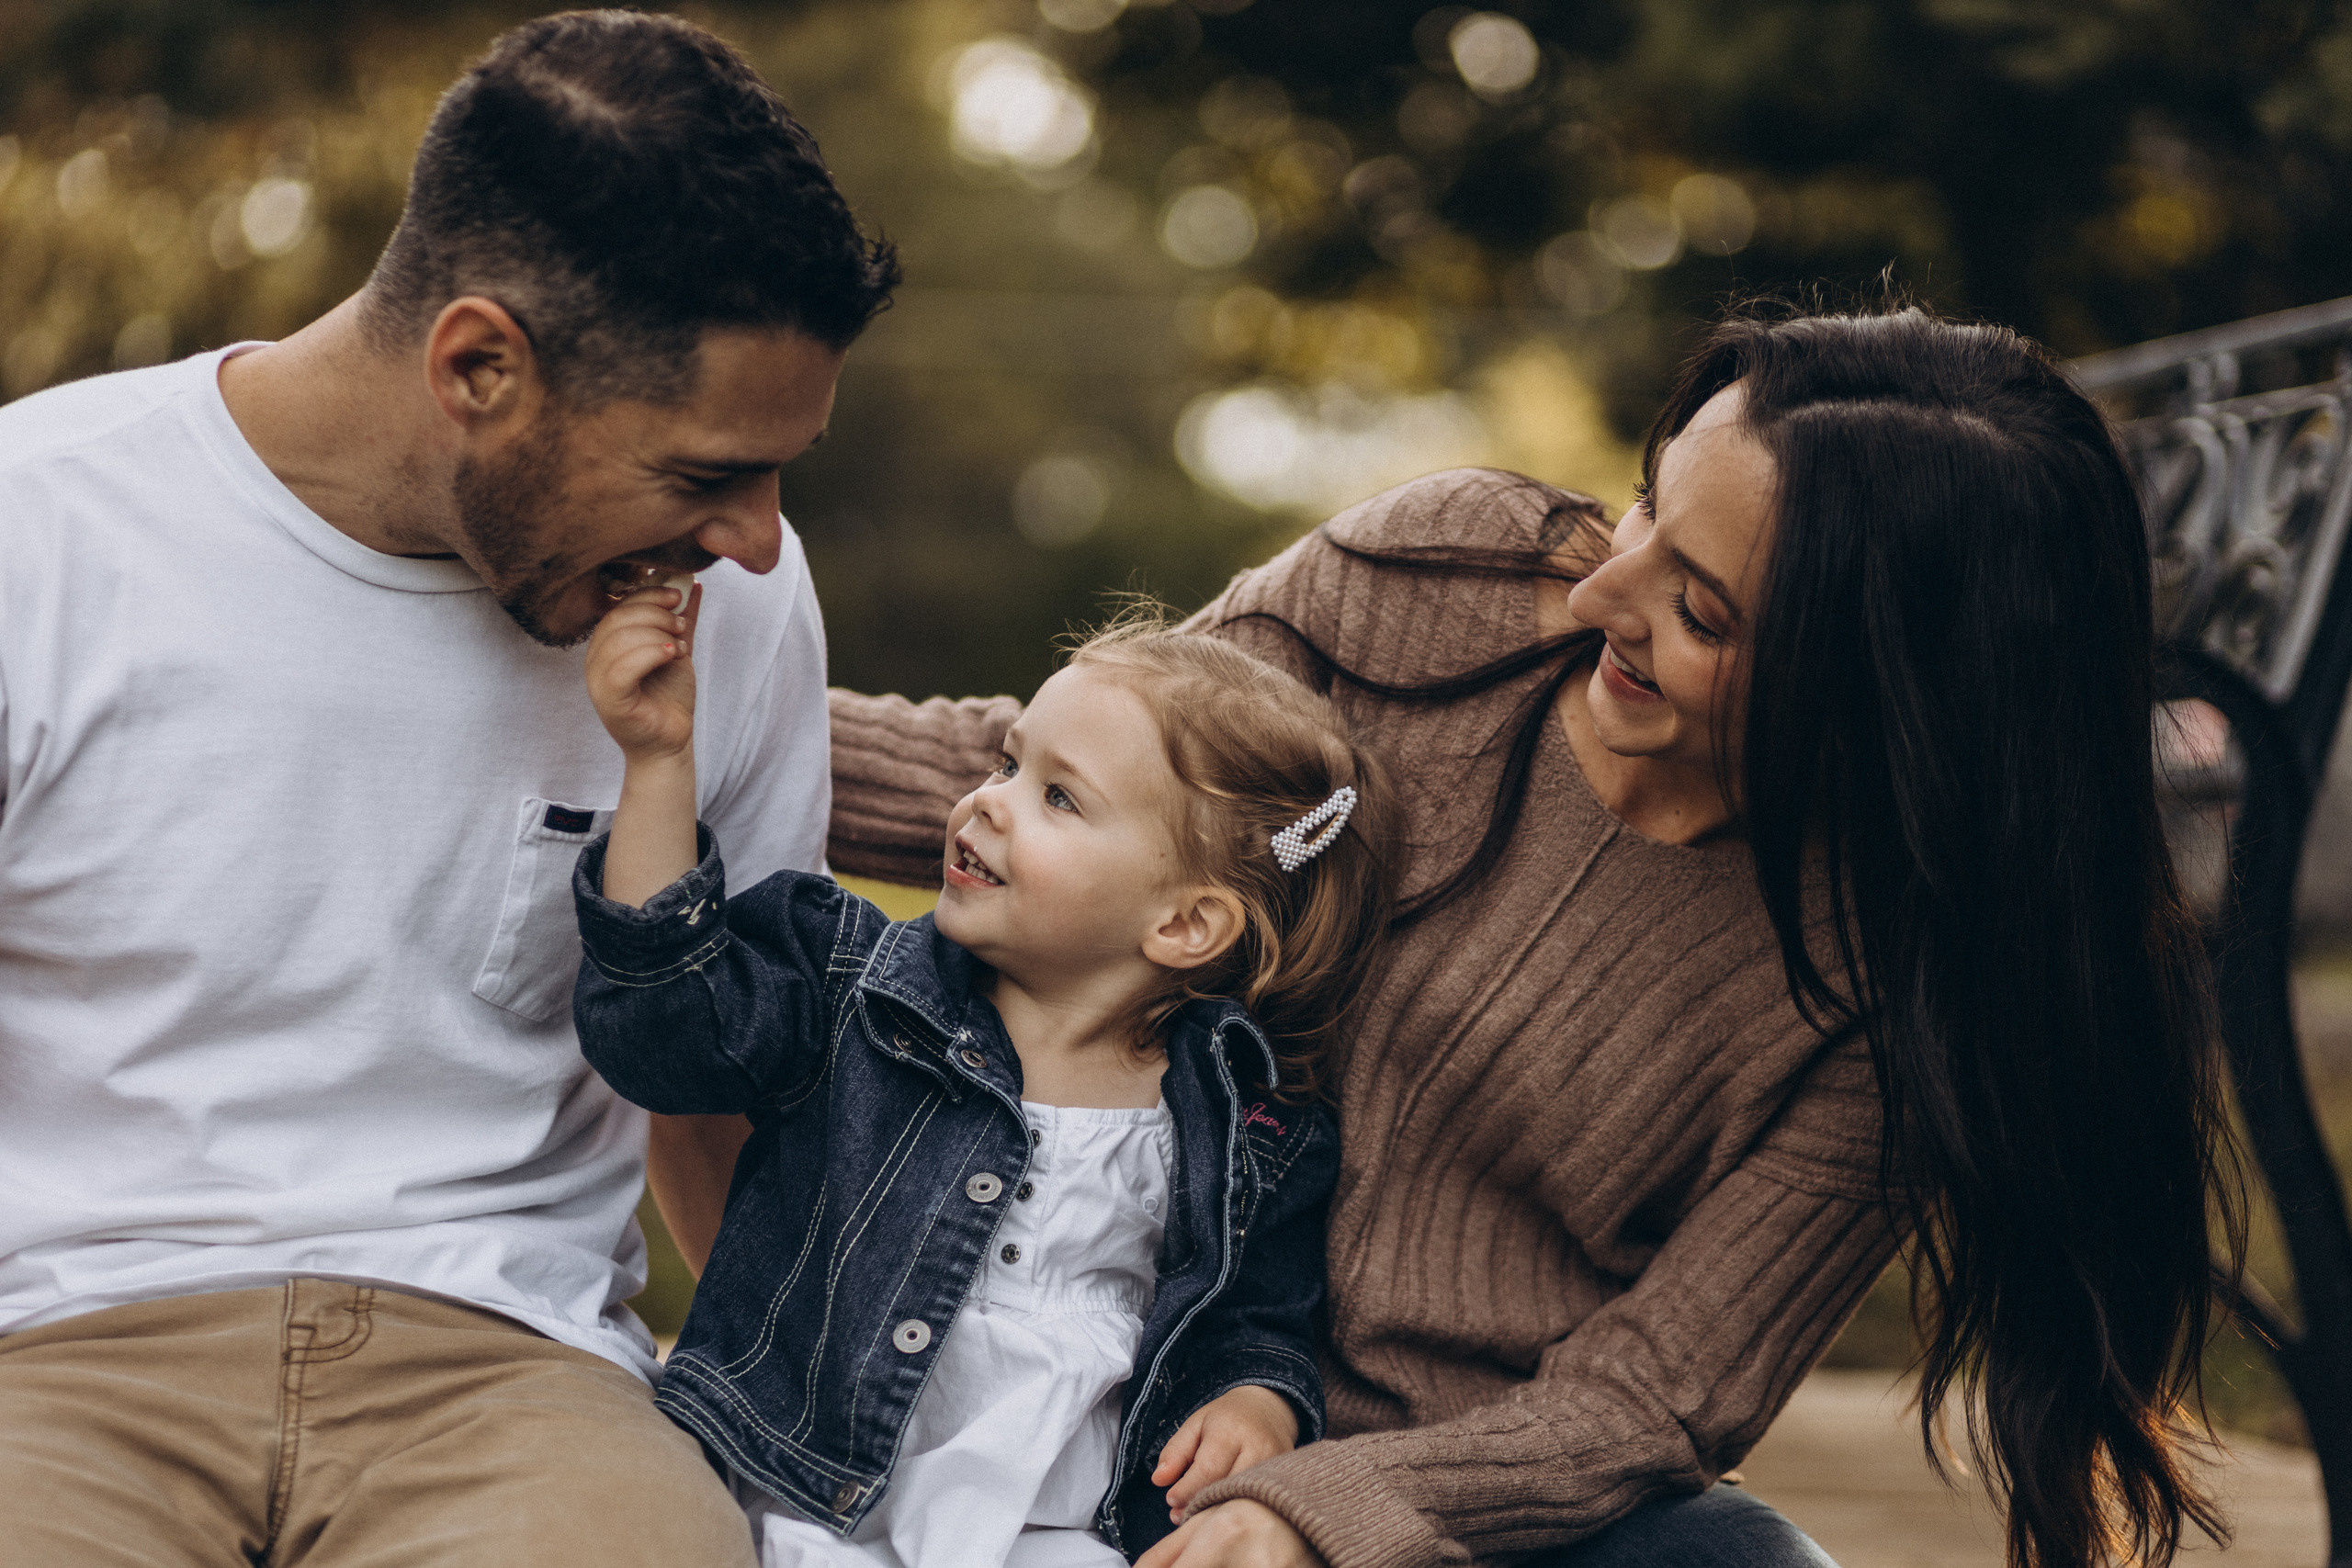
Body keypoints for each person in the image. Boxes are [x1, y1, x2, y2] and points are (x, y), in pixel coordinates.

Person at [806, 306, 2239, 1568]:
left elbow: (1654, 1393)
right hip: (1096, 1352)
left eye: (1699, 607)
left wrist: (1326, 1510)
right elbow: (1069, 790)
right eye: (1643, 511)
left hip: (1460, 1493)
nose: (1600, 595)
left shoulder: (1901, 981)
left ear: (1877, 693)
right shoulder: (1441, 576)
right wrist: (695, 735)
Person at [0, 13, 896, 1565]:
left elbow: (720, 1096)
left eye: (780, 475)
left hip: (512, 1372)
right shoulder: (42, 533)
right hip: (55, 1346)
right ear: (478, 363)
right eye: (704, 476)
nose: (756, 537)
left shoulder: (738, 601)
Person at [571, 603, 1399, 1565]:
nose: (988, 800)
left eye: (1060, 798)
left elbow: (1256, 1313)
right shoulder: (857, 990)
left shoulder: (1246, 1119)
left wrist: (1254, 1397)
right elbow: (658, 1034)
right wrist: (662, 766)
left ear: (1183, 925)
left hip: (1050, 1525)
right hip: (791, 1485)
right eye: (1009, 763)